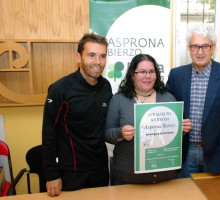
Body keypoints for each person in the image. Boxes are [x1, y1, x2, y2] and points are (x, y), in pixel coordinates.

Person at [166, 24, 220, 178]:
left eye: (205, 46)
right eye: (195, 46)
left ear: (213, 47)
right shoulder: (176, 75)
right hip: (185, 153)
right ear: (189, 48)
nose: (200, 52)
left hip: (218, 153)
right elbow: (169, 111)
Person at [42, 33, 112, 196]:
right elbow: (48, 133)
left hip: (100, 169)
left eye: (102, 56)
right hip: (71, 172)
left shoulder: (106, 87)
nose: (97, 62)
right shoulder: (60, 89)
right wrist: (52, 175)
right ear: (78, 57)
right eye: (91, 55)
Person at [105, 54, 192, 185]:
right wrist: (120, 133)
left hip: (165, 177)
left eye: (151, 71)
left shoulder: (168, 98)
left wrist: (183, 129)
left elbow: (174, 135)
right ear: (132, 75)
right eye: (142, 72)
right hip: (128, 179)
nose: (147, 76)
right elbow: (107, 134)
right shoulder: (119, 100)